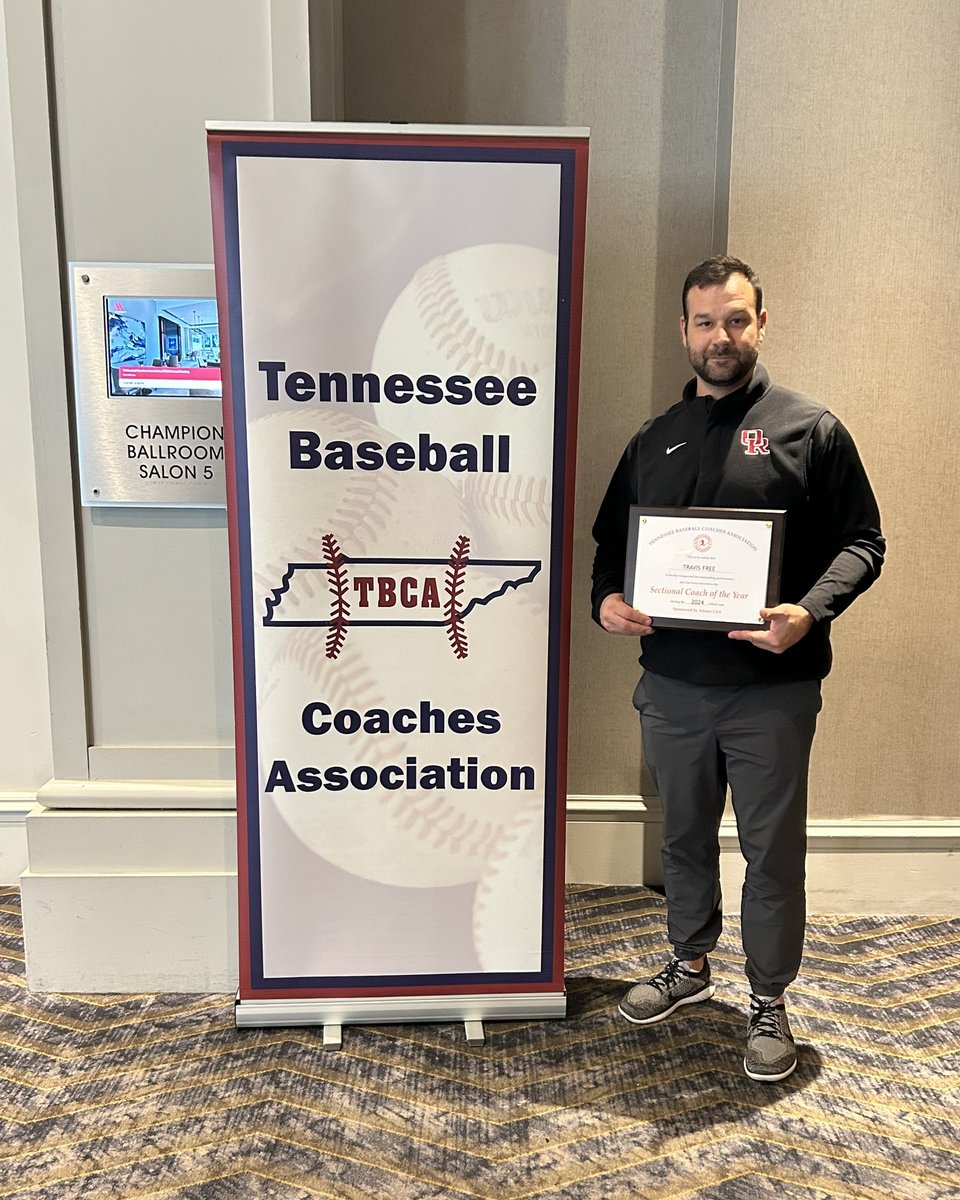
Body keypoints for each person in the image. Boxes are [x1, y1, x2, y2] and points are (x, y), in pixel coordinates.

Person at [591, 255, 884, 1082]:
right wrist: (607, 601)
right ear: (684, 331)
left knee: (771, 852)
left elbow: (865, 541)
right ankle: (689, 964)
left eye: (738, 320)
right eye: (707, 322)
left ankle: (768, 997)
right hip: (674, 689)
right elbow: (610, 548)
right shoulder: (653, 439)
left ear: (762, 324)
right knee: (681, 837)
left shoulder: (809, 428)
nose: (723, 336)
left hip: (771, 694)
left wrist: (808, 611)